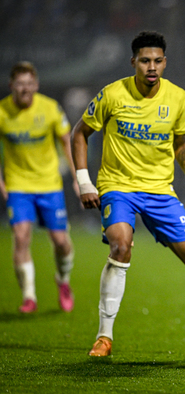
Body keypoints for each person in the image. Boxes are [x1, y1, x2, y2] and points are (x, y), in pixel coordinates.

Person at [71, 31, 185, 358]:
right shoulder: (113, 94)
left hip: (159, 191)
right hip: (119, 186)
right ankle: (104, 337)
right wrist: (84, 182)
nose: (151, 67)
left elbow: (181, 144)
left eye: (157, 61)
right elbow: (79, 134)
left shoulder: (177, 98)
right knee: (121, 244)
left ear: (164, 62)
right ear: (134, 63)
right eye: (145, 61)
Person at [0, 61, 76, 314]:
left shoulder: (50, 108)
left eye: (29, 84)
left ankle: (63, 282)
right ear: (11, 85)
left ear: (36, 85)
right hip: (18, 184)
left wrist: (78, 178)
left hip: (49, 184)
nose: (25, 89)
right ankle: (29, 295)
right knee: (21, 237)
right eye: (19, 84)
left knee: (61, 242)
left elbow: (67, 141)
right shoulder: (2, 112)